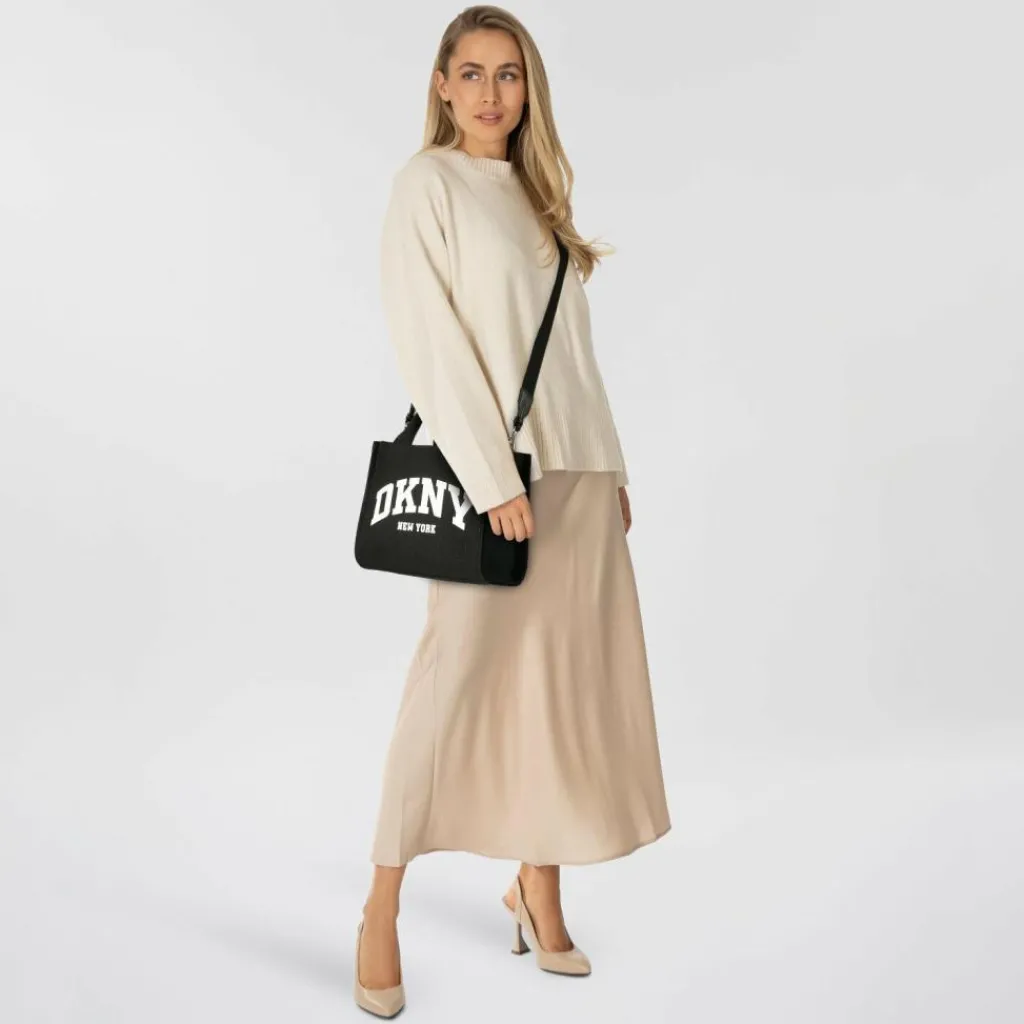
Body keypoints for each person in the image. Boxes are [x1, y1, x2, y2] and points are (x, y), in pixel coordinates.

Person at [354, 5, 671, 1017]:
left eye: (509, 74)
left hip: (577, 476)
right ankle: (379, 906)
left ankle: (537, 886)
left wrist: (610, 469)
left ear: (529, 89)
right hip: (498, 482)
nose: (491, 93)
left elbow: (570, 356)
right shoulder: (427, 185)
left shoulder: (538, 198)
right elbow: (429, 342)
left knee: (560, 689)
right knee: (448, 687)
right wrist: (492, 478)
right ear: (441, 84)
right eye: (472, 72)